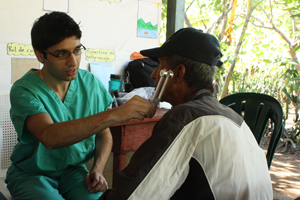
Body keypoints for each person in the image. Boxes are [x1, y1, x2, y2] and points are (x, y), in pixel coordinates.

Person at [99, 28, 273, 200]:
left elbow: (133, 195)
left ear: (179, 73)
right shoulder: (234, 118)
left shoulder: (185, 117)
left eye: (160, 66)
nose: (153, 74)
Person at [6, 11, 156, 200]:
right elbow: (49, 137)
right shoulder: (24, 90)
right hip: (32, 174)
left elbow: (104, 135)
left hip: (73, 172)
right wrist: (115, 114)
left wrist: (98, 169)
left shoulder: (90, 83)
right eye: (61, 54)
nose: (73, 61)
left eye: (77, 50)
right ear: (39, 54)